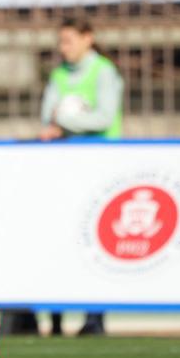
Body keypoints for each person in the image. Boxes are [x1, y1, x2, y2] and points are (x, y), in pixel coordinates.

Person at [40, 17, 124, 337]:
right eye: (61, 41)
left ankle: (95, 315)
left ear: (88, 38)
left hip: (101, 163)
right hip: (65, 164)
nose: (64, 48)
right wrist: (57, 123)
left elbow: (105, 116)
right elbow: (47, 116)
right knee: (62, 235)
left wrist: (68, 120)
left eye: (69, 40)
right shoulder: (59, 74)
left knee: (96, 237)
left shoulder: (104, 71)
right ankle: (56, 315)